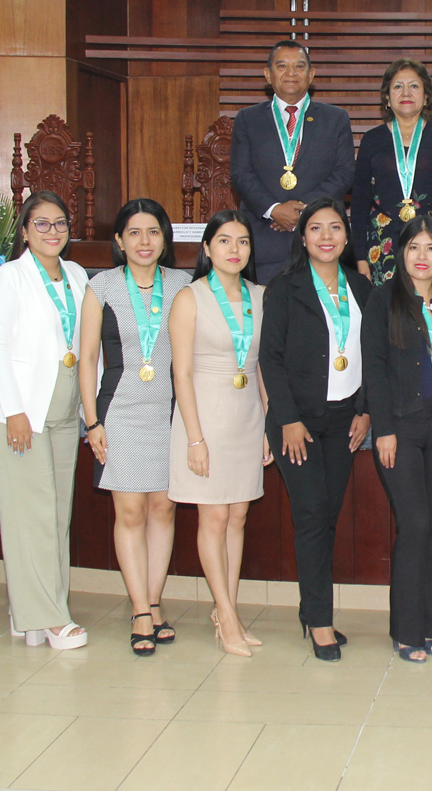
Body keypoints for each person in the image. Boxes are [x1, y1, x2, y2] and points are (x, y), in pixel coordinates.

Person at [259, 197, 373, 661]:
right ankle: (321, 621)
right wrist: (286, 419)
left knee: (327, 515)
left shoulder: (363, 289)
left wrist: (366, 411)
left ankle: (312, 607)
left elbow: (374, 358)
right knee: (310, 516)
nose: (326, 236)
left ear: (346, 237)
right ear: (302, 237)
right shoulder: (284, 288)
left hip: (345, 420)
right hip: (298, 424)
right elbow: (271, 358)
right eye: (316, 229)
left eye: (335, 228)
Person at [77, 199, 191, 656]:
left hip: (170, 412)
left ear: (165, 240)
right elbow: (86, 359)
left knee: (163, 509)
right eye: (135, 233)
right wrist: (92, 422)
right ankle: (139, 608)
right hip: (120, 412)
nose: (144, 242)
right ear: (120, 240)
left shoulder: (183, 285)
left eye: (154, 233)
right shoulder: (100, 287)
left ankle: (155, 600)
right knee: (130, 513)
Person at [0, 190, 91, 650]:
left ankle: (30, 611)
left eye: (60, 223)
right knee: (32, 515)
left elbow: (85, 347)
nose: (53, 231)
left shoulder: (78, 274)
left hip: (65, 408)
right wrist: (14, 412)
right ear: (24, 230)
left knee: (55, 514)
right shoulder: (8, 278)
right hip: (21, 412)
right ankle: (48, 617)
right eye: (41, 224)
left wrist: (90, 410)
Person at [362, 214, 432, 662]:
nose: (422, 256)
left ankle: (426, 626)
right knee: (414, 525)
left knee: (431, 528)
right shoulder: (383, 298)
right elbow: (376, 370)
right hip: (400, 430)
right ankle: (405, 630)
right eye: (413, 247)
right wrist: (383, 429)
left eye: (431, 248)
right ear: (400, 253)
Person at [169, 209, 270, 658]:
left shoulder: (260, 295)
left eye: (243, 241)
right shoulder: (189, 298)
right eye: (225, 240)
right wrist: (194, 438)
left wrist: (267, 422)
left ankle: (226, 608)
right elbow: (182, 373)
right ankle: (226, 616)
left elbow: (263, 365)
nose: (235, 249)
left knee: (238, 517)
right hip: (204, 415)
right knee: (213, 516)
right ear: (207, 248)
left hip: (247, 414)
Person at [231, 40, 355, 283]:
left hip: (320, 243)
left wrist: (304, 209)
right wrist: (274, 210)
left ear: (311, 75)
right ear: (268, 74)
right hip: (264, 241)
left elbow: (344, 173)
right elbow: (241, 174)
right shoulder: (248, 119)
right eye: (282, 66)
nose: (291, 73)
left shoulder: (335, 118)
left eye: (299, 66)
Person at [351, 58, 432, 285]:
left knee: (431, 308)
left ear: (426, 96)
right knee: (388, 312)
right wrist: (359, 256)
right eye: (397, 86)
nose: (406, 92)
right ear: (387, 97)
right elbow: (359, 202)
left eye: (414, 86)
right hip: (383, 241)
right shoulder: (372, 139)